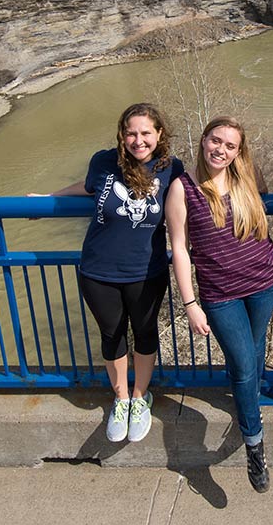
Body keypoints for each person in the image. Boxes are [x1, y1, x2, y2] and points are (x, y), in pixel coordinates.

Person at [48, 103, 182, 444]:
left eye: (145, 133)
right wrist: (49, 199)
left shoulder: (171, 169)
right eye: (131, 133)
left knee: (145, 332)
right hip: (98, 270)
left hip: (146, 270)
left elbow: (205, 188)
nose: (138, 140)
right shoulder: (104, 161)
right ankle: (121, 399)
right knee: (112, 335)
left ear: (159, 134)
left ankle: (141, 398)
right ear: (122, 135)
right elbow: (89, 186)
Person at [165, 116, 273, 493]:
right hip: (220, 295)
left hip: (264, 282)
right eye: (216, 141)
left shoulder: (245, 178)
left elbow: (271, 196)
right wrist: (190, 304)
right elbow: (180, 250)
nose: (221, 150)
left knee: (254, 350)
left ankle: (249, 400)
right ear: (203, 141)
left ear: (238, 152)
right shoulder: (183, 189)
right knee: (245, 364)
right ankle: (254, 443)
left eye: (230, 146)